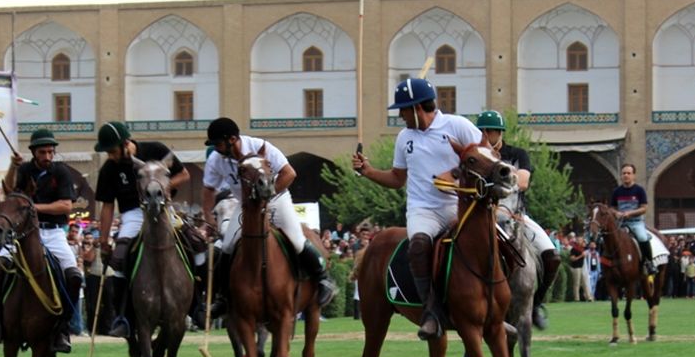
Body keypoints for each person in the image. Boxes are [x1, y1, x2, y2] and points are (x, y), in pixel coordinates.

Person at [352, 78, 482, 339]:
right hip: (424, 210)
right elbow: (398, 179)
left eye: (403, 109)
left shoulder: (458, 125)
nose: (400, 115)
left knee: (496, 237)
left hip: (460, 205)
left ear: (417, 107)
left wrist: (454, 172)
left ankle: (508, 300)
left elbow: (486, 157)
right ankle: (432, 312)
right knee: (419, 244)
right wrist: (368, 171)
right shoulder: (404, 137)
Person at [202, 116, 337, 318]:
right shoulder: (216, 160)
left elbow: (289, 174)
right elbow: (208, 189)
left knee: (298, 241)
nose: (216, 148)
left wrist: (268, 194)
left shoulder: (260, 146)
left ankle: (323, 279)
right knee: (228, 245)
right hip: (247, 204)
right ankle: (222, 297)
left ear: (231, 139)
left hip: (277, 198)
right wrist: (208, 216)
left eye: (218, 143)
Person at [0, 128, 80, 354]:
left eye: (50, 152)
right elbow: (9, 190)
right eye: (42, 152)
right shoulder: (24, 170)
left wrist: (33, 207)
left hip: (52, 233)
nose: (47, 157)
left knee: (74, 275)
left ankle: (63, 327)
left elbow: (66, 205)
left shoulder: (60, 171)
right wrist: (14, 165)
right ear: (33, 152)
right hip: (24, 234)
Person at [93, 120, 194, 338]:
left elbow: (184, 175)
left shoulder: (155, 150)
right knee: (119, 259)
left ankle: (197, 306)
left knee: (195, 243)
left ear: (125, 143)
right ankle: (124, 318)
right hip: (133, 214)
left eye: (111, 150)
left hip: (164, 209)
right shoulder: (110, 169)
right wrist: (103, 241)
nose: (110, 156)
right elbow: (108, 207)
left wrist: (159, 189)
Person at [474, 110, 562, 327]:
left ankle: (536, 304)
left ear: (500, 133)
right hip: (483, 215)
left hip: (514, 216)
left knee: (552, 255)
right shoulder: (476, 156)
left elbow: (522, 183)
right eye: (483, 131)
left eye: (491, 131)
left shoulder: (518, 154)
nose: (487, 135)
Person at [610, 163, 656, 275]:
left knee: (642, 237)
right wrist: (616, 213)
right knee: (607, 238)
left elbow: (644, 208)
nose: (626, 175)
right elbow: (612, 208)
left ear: (633, 175)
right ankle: (606, 264)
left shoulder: (639, 190)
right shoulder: (617, 191)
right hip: (621, 223)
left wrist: (630, 213)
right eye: (624, 173)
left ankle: (649, 262)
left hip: (636, 222)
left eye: (628, 173)